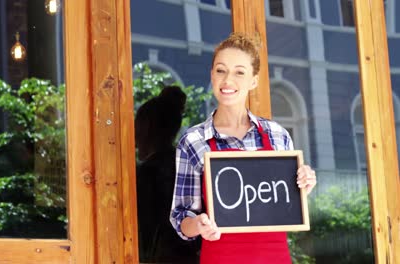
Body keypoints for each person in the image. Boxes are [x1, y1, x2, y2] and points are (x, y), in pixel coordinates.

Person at [169, 32, 317, 263]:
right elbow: (181, 218)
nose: (228, 80)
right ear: (212, 75)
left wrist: (303, 185)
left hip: (274, 257)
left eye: (239, 72)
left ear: (254, 80)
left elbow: (287, 207)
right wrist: (198, 225)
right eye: (221, 70)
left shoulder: (277, 135)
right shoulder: (193, 140)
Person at [136, 85, 199, 263]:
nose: (134, 139)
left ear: (147, 132)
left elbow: (145, 234)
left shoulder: (147, 173)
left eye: (137, 130)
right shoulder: (188, 167)